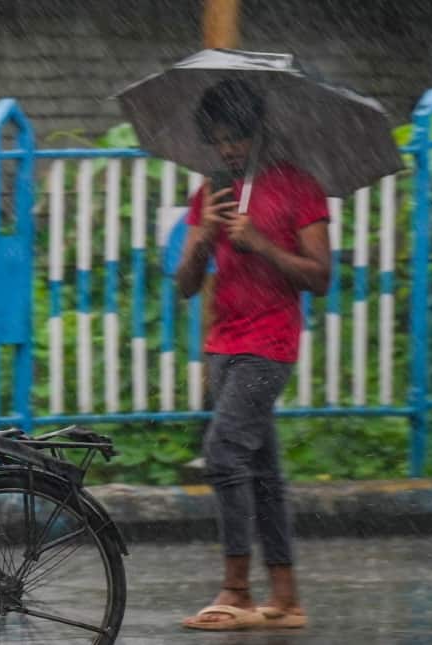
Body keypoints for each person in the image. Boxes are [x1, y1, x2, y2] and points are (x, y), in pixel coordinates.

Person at [175, 79, 329, 631]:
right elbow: (187, 286)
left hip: (271, 344)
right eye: (218, 141)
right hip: (224, 344)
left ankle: (237, 590)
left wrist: (261, 243)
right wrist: (204, 237)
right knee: (263, 472)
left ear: (259, 132)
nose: (228, 151)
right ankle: (285, 600)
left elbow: (322, 277)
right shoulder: (210, 194)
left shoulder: (298, 188)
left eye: (236, 138)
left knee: (224, 455)